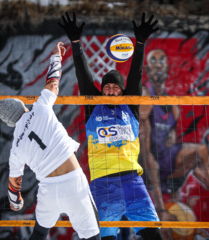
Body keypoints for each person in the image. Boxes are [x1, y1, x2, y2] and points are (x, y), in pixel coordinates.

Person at [58, 12, 163, 240]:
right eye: (107, 87)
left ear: (123, 92)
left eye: (116, 88)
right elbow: (83, 76)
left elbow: (136, 74)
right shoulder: (93, 106)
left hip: (132, 181)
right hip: (103, 184)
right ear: (102, 90)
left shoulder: (130, 108)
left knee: (153, 236)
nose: (111, 90)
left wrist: (141, 43)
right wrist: (76, 44)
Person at [0, 42, 101, 240]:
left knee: (39, 234)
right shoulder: (40, 108)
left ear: (9, 122)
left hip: (48, 190)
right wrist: (56, 57)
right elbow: (53, 81)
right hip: (73, 182)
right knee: (93, 236)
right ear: (22, 106)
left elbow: (14, 184)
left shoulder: (15, 149)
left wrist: (15, 202)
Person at [139, 48, 209, 239]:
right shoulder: (145, 99)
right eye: (153, 61)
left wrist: (175, 198)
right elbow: (147, 157)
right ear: (147, 68)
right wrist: (162, 208)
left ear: (168, 67)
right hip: (145, 167)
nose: (158, 65)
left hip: (165, 163)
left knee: (201, 153)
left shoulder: (172, 104)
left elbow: (171, 144)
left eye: (162, 60)